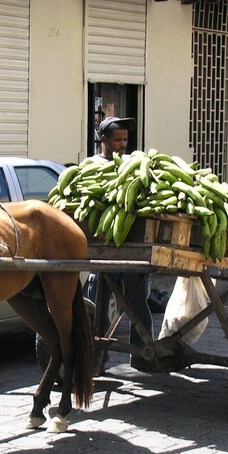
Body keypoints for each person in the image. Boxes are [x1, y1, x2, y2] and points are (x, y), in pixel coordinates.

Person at [85, 116, 154, 370]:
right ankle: (97, 356)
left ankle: (143, 354)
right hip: (103, 246)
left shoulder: (133, 166)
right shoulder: (91, 165)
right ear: (103, 140)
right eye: (117, 140)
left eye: (125, 139)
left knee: (137, 301)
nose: (123, 144)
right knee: (98, 301)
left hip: (132, 244)